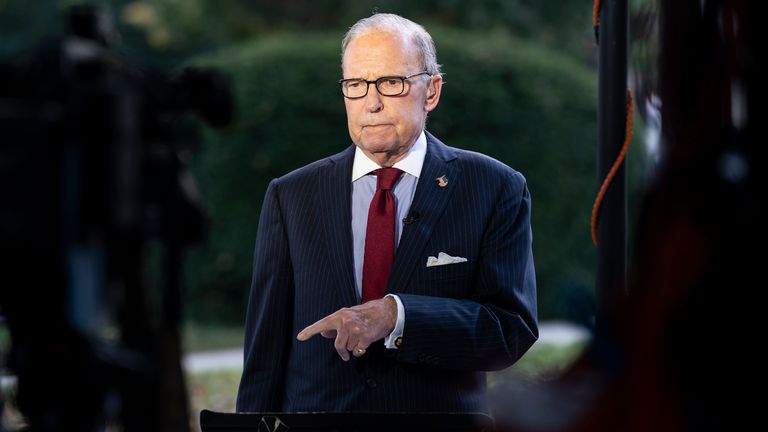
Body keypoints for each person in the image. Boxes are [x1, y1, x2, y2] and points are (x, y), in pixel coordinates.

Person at [236, 13, 538, 414]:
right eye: (356, 85)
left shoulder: (495, 187)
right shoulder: (290, 195)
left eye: (391, 83)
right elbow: (263, 357)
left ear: (431, 91)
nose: (372, 102)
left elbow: (510, 329)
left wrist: (399, 315)